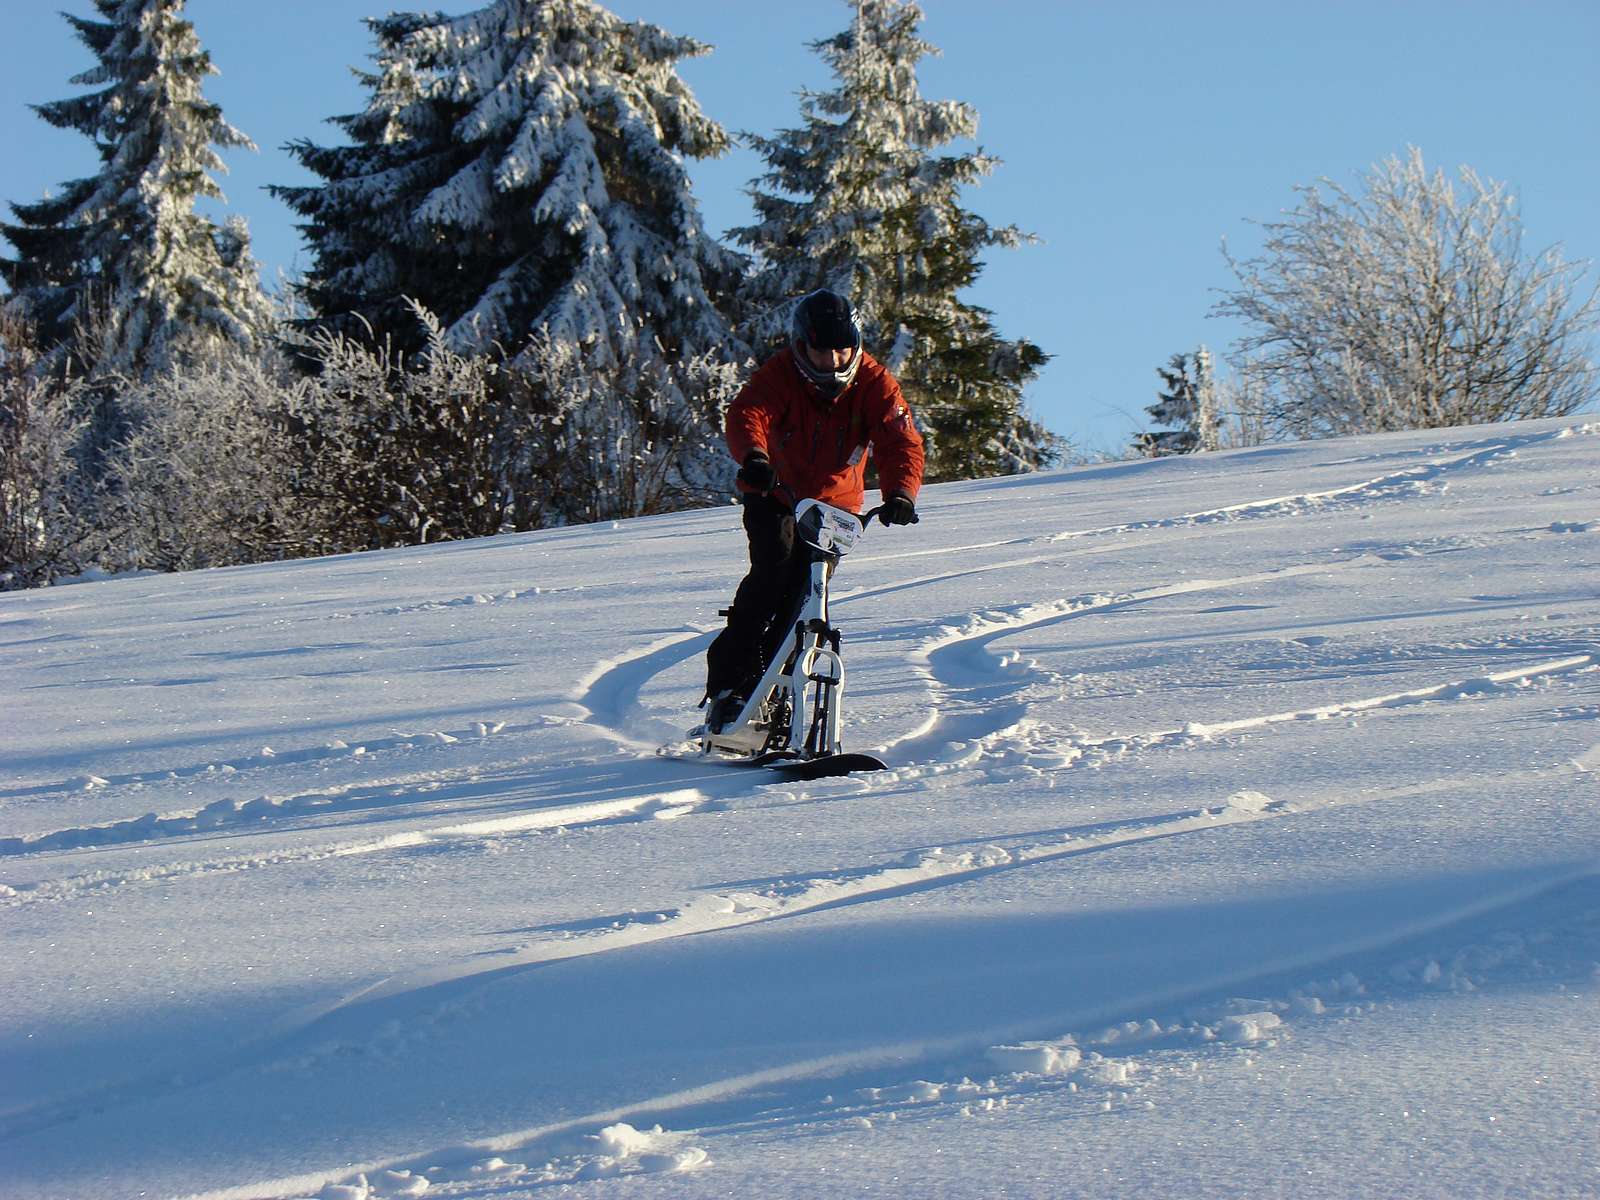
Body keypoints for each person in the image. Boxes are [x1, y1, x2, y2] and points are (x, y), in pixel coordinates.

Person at [704, 288, 925, 731]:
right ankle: (731, 690)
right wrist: (755, 458)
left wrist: (901, 493)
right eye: (822, 352)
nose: (834, 361)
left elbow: (900, 440)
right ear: (802, 347)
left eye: (842, 350)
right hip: (776, 494)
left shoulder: (875, 383)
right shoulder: (781, 374)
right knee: (772, 576)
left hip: (834, 510)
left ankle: (780, 696)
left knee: (807, 601)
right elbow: (749, 413)